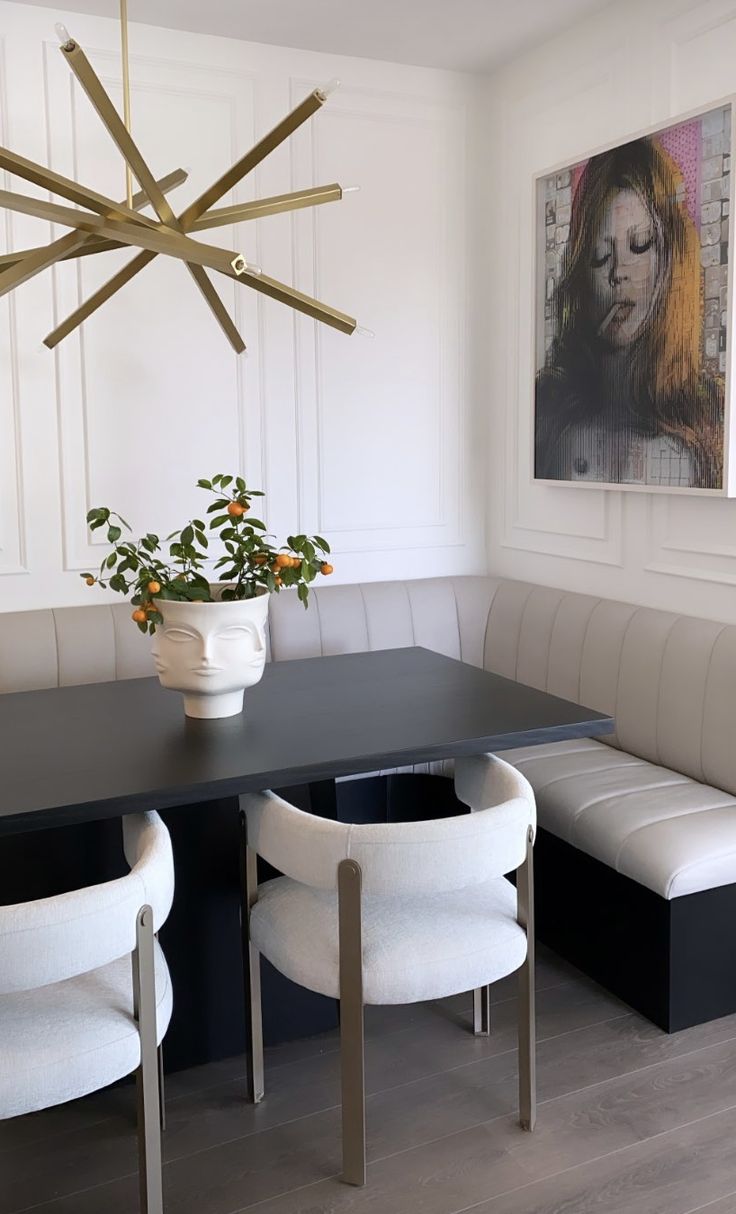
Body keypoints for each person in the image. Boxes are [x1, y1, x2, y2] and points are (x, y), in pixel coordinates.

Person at [535, 136, 723, 488]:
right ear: (581, 274)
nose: (618, 271)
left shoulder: (708, 415)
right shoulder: (548, 408)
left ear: (669, 262)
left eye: (640, 245)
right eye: (600, 255)